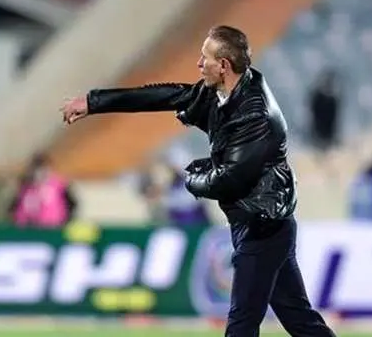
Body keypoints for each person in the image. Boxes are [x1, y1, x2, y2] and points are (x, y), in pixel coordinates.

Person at [61, 26, 336, 337]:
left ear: (224, 66)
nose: (198, 63)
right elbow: (165, 95)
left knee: (242, 324)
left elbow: (228, 180)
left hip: (263, 227)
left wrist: (189, 179)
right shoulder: (222, 93)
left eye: (205, 58)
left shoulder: (253, 113)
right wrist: (94, 102)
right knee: (300, 321)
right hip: (261, 222)